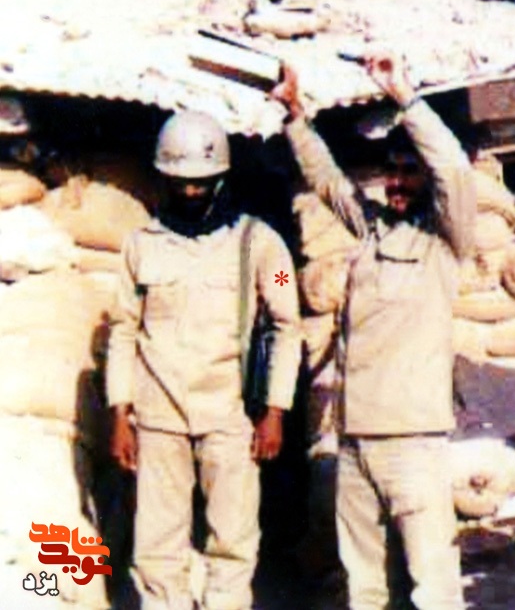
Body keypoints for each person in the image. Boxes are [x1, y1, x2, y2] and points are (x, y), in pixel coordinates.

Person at [271, 53, 476, 610]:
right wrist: (295, 117)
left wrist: (403, 96)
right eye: (392, 170)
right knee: (365, 587)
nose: (397, 182)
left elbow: (455, 170)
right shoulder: (372, 232)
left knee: (433, 589)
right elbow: (329, 183)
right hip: (355, 440)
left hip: (414, 445)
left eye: (410, 171)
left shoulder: (442, 242)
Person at [106, 111, 301, 610]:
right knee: (157, 546)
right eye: (181, 183)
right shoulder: (139, 246)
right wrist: (120, 413)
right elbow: (123, 329)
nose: (191, 193)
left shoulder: (262, 245)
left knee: (232, 541)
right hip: (159, 416)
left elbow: (286, 320)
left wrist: (275, 410)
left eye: (201, 183)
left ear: (220, 178)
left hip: (230, 416)